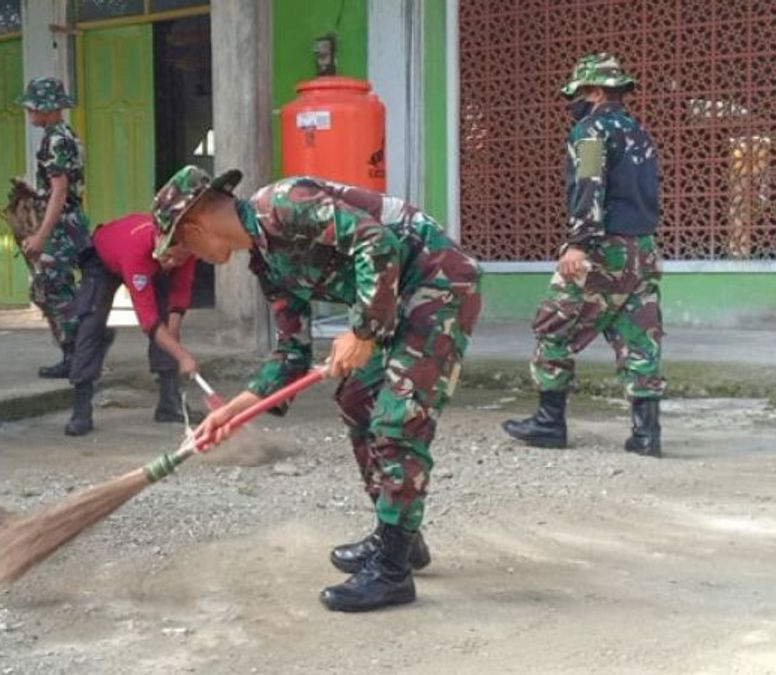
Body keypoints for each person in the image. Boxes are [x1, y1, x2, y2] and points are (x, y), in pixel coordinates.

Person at [151, 165, 482, 612]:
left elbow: (376, 242)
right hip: (394, 300)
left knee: (397, 418)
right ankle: (400, 537)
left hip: (437, 281)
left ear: (194, 226)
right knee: (355, 398)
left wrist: (363, 332)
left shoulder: (284, 204)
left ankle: (392, 572)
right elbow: (292, 353)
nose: (186, 256)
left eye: (181, 245)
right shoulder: (267, 264)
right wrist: (234, 411)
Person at [502, 53, 663, 458]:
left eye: (576, 93)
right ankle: (647, 435)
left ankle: (549, 423)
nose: (572, 102)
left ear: (594, 91)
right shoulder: (639, 133)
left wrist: (579, 242)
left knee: (553, 325)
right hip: (642, 250)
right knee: (640, 337)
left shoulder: (590, 132)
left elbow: (590, 185)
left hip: (601, 248)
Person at [63, 212, 202, 436]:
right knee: (92, 325)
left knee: (166, 320)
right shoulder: (137, 252)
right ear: (159, 243)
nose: (173, 264)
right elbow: (147, 320)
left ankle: (169, 403)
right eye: (169, 257)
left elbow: (180, 294)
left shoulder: (186, 251)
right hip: (104, 258)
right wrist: (183, 356)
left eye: (179, 259)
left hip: (148, 261)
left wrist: (174, 343)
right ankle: (81, 411)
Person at [17, 76, 90, 379]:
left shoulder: (55, 140)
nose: (29, 112)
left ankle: (77, 358)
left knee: (56, 292)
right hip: (70, 223)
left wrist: (40, 235)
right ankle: (76, 355)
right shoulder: (66, 135)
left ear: (48, 109)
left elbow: (59, 191)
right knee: (58, 291)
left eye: (33, 106)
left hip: (60, 227)